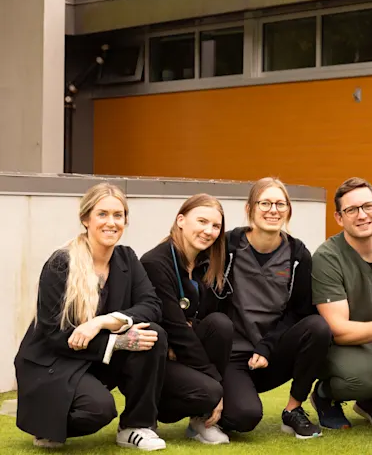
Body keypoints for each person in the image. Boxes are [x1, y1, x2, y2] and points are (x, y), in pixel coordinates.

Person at [15, 183, 167, 451]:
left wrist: (103, 322)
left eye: (118, 215)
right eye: (102, 214)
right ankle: (46, 422)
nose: (111, 223)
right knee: (98, 410)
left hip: (92, 355)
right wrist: (115, 342)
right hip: (54, 362)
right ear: (85, 219)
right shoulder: (60, 263)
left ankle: (136, 426)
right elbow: (54, 334)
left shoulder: (126, 258)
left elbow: (151, 304)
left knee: (153, 333)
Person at [217, 177, 331, 439]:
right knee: (243, 417)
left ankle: (293, 410)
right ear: (250, 209)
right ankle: (211, 405)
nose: (273, 210)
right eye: (265, 203)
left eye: (280, 204)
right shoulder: (227, 246)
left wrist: (267, 345)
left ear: (288, 210)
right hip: (233, 356)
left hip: (273, 353)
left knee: (318, 327)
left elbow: (299, 312)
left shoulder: (297, 254)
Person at [311, 177, 372, 430]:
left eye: (368, 206)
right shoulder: (327, 257)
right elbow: (339, 330)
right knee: (365, 378)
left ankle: (370, 402)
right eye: (351, 210)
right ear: (338, 218)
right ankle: (325, 394)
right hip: (344, 345)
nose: (361, 215)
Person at [141, 194, 233, 445]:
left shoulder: (206, 262)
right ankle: (147, 417)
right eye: (201, 221)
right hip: (156, 358)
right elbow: (175, 327)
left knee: (220, 324)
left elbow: (203, 320)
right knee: (212, 391)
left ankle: (199, 422)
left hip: (184, 351)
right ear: (181, 220)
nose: (209, 231)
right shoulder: (155, 263)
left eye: (216, 226)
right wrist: (216, 382)